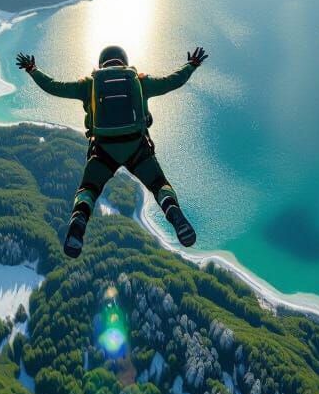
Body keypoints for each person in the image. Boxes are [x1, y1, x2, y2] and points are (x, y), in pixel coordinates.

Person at [14, 44, 208, 258]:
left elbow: (54, 87)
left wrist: (32, 69)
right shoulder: (139, 81)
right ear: (123, 61)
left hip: (103, 151)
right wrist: (192, 65)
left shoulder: (91, 84)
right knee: (159, 185)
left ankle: (79, 220)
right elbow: (173, 81)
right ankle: (171, 210)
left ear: (101, 63)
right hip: (137, 147)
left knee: (88, 190)